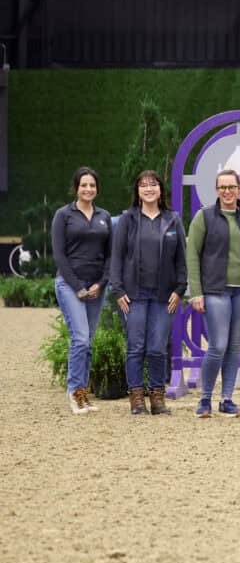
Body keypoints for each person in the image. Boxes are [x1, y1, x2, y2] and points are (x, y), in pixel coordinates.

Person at [109, 170, 188, 415]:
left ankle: (157, 398)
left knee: (157, 348)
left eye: (153, 184)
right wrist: (117, 289)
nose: (149, 188)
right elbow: (117, 256)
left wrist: (180, 289)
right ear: (137, 191)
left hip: (164, 296)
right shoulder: (127, 219)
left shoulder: (173, 220)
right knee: (135, 347)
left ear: (160, 190)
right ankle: (136, 398)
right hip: (133, 295)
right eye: (143, 185)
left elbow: (181, 259)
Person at [186, 169, 240, 418]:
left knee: (234, 346)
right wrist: (196, 292)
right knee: (217, 345)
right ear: (217, 190)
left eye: (232, 187)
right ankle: (205, 399)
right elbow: (192, 255)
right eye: (223, 187)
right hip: (215, 290)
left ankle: (226, 398)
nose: (227, 191)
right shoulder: (204, 216)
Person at [52, 167, 113, 415]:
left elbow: (110, 255)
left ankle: (84, 394)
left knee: (88, 342)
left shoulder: (104, 216)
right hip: (69, 285)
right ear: (76, 188)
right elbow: (59, 255)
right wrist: (78, 287)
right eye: (84, 185)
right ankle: (75, 392)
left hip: (96, 287)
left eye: (92, 185)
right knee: (80, 338)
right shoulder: (63, 215)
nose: (88, 189)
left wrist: (101, 283)